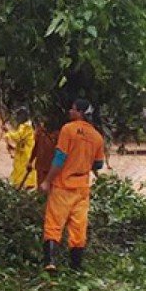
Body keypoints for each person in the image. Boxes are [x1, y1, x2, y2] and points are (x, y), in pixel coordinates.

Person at [40, 98, 105, 271]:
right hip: (82, 187)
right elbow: (98, 165)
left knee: (54, 223)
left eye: (73, 109)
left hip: (63, 185)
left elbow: (60, 158)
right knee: (78, 227)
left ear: (80, 113)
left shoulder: (68, 130)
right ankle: (76, 267)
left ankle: (50, 262)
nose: (70, 111)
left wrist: (47, 181)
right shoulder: (97, 136)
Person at [4, 107, 37, 189]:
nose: (17, 118)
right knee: (19, 168)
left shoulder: (26, 126)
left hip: (26, 152)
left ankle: (20, 186)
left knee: (21, 169)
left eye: (19, 116)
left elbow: (18, 137)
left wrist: (8, 132)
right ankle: (20, 185)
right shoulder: (26, 125)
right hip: (24, 151)